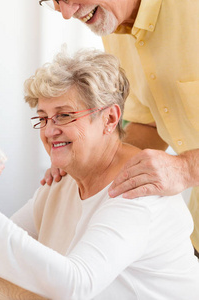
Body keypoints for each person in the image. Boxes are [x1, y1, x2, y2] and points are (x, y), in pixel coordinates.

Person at [0, 48, 199, 299]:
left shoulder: (137, 189)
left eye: (64, 115)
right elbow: (15, 237)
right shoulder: (65, 177)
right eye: (43, 118)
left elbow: (75, 284)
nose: (50, 130)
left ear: (109, 118)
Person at [38, 0, 199, 253]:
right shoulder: (113, 26)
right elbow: (149, 122)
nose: (67, 14)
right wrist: (91, 159)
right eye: (54, 2)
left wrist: (186, 168)